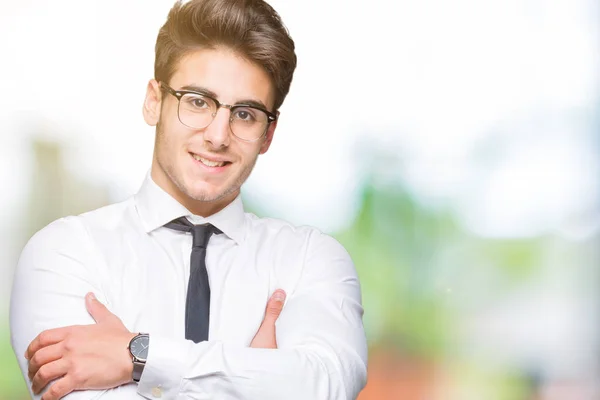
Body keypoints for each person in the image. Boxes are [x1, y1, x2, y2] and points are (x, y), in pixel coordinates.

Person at [9, 0, 368, 398]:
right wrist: (259, 381)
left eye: (245, 113)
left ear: (269, 134)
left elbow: (327, 384)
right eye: (198, 101)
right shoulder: (65, 254)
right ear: (154, 101)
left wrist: (139, 356)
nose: (218, 135)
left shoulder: (310, 261)